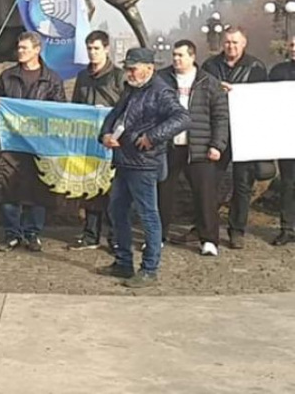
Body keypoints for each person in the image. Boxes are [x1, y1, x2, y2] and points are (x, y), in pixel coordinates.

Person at [98, 48, 190, 287]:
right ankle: (123, 262)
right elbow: (114, 115)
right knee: (117, 210)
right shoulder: (131, 89)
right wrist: (105, 135)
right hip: (124, 159)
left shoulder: (161, 91)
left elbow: (182, 118)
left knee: (148, 214)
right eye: (127, 68)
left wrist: (153, 136)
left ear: (149, 68)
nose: (129, 72)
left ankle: (150, 268)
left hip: (145, 163)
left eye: (133, 68)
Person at [0, 31, 66, 252]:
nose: (20, 52)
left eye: (24, 48)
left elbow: (59, 110)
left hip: (40, 143)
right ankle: (12, 233)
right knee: (8, 187)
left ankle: (33, 233)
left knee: (38, 189)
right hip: (13, 141)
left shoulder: (51, 79)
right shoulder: (7, 76)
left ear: (36, 50)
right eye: (19, 48)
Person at [157, 40, 229, 257]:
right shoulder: (161, 79)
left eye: (181, 55)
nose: (176, 59)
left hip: (199, 146)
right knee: (163, 193)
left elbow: (220, 116)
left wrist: (217, 145)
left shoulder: (208, 82)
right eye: (174, 55)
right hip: (169, 146)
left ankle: (209, 240)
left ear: (192, 56)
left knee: (205, 195)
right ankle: (158, 236)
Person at [202, 27, 268, 249]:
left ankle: (237, 229)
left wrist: (237, 92)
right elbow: (200, 92)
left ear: (244, 43)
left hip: (245, 131)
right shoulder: (210, 66)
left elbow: (263, 98)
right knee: (209, 181)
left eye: (235, 42)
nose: (231, 46)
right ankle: (205, 226)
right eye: (228, 42)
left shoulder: (256, 67)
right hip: (217, 131)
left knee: (242, 184)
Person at [68, 30, 124, 250]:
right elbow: (75, 106)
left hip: (112, 140)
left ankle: (115, 238)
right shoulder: (83, 76)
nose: (92, 53)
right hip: (88, 140)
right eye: (89, 48)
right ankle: (90, 234)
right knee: (90, 188)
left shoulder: (118, 76)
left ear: (106, 49)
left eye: (96, 48)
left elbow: (126, 107)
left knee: (112, 191)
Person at [269, 35, 295, 246]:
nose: (294, 48)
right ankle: (287, 227)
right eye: (292, 45)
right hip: (287, 137)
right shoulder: (278, 72)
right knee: (288, 184)